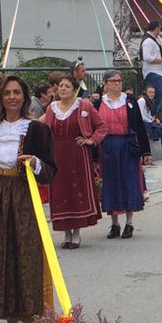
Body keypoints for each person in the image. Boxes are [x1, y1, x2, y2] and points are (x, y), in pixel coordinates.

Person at [0, 75, 57, 323]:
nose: (12, 97)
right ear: (1, 97)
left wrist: (35, 163)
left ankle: (32, 322)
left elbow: (51, 170)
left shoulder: (36, 129)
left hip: (24, 198)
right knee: (0, 256)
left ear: (24, 97)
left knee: (26, 255)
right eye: (7, 93)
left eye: (17, 92)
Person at [42, 71, 101, 250]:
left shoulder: (84, 106)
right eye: (60, 86)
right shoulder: (51, 108)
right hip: (57, 155)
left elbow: (101, 126)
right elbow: (42, 128)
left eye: (67, 86)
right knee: (60, 192)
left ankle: (76, 233)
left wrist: (91, 140)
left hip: (77, 155)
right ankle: (66, 232)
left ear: (74, 90)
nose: (63, 89)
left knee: (76, 190)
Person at [96, 69, 151, 239]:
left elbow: (140, 127)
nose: (117, 84)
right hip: (107, 146)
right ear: (105, 84)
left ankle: (129, 223)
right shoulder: (97, 104)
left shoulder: (130, 101)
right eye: (113, 81)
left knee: (129, 181)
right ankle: (114, 223)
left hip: (127, 146)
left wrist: (146, 150)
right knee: (111, 183)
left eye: (119, 81)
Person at [140, 19, 162, 113]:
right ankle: (151, 115)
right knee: (158, 96)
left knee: (156, 96)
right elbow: (147, 57)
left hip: (156, 72)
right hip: (153, 73)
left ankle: (151, 115)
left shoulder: (150, 40)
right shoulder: (148, 41)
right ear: (156, 28)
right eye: (160, 28)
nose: (160, 30)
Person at [138, 82, 162, 161]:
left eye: (153, 92)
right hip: (143, 125)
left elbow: (150, 115)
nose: (152, 94)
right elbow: (141, 116)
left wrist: (155, 119)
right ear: (145, 92)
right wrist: (152, 121)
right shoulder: (142, 101)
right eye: (150, 92)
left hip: (150, 124)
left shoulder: (152, 101)